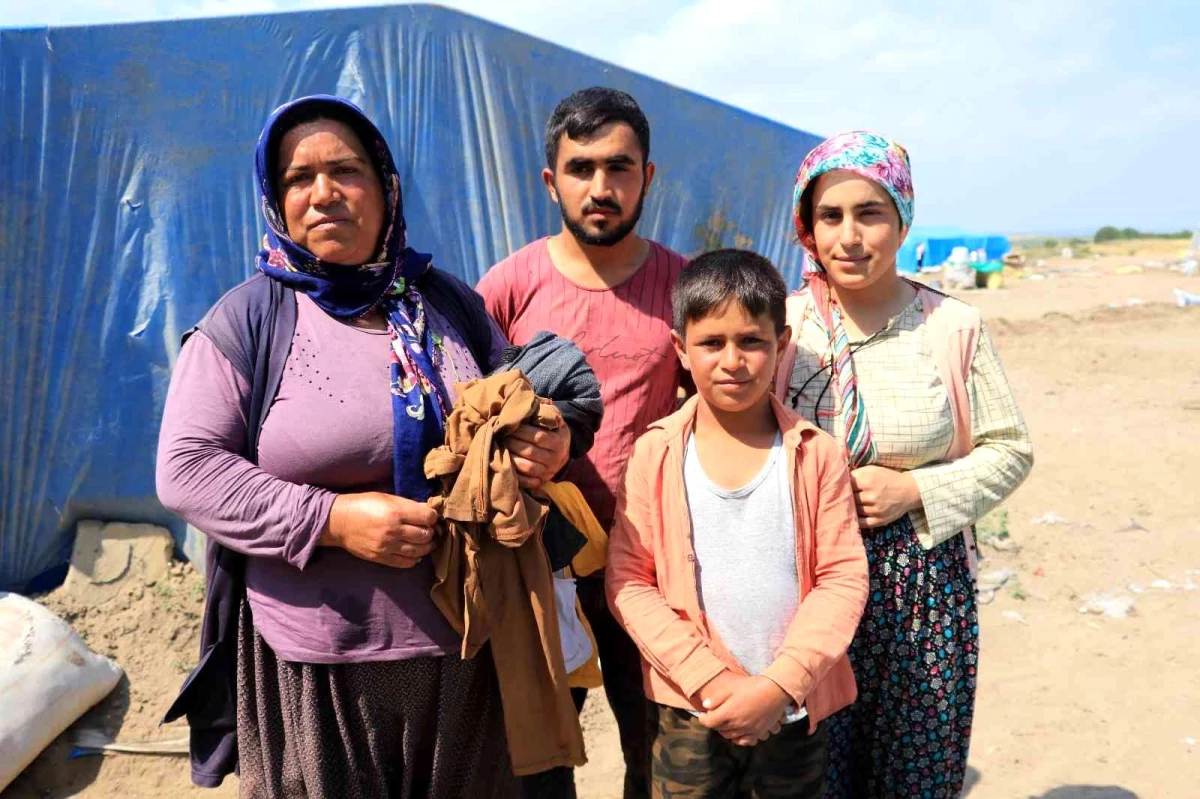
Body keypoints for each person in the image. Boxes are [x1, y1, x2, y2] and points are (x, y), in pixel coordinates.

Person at [156, 94, 571, 798]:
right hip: (318, 665)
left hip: (470, 651)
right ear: (275, 199)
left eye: (345, 171)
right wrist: (334, 521)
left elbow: (515, 405)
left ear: (386, 187)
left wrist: (543, 445)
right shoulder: (250, 320)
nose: (323, 193)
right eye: (297, 178)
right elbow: (187, 470)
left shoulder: (448, 304)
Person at [777, 130, 1034, 797]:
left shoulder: (951, 326)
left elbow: (1010, 449)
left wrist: (914, 489)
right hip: (803, 588)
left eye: (870, 213)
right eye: (830, 216)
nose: (849, 236)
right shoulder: (781, 330)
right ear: (806, 226)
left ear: (902, 219)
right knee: (810, 774)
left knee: (913, 775)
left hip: (925, 593)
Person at [477, 86, 689, 798]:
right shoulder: (508, 289)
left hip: (653, 572)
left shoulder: (685, 289)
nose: (601, 187)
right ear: (551, 180)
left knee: (660, 758)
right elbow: (468, 419)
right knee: (533, 763)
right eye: (581, 167)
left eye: (620, 168)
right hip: (539, 569)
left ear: (648, 177)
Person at [605, 249, 869, 798]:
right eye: (711, 343)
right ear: (680, 349)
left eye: (751, 341)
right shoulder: (656, 454)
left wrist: (780, 684)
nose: (732, 360)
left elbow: (843, 578)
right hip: (691, 707)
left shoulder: (815, 454)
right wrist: (712, 681)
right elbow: (630, 582)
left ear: (781, 343)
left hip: (793, 710)